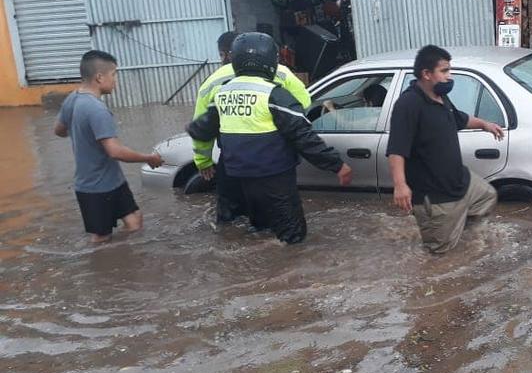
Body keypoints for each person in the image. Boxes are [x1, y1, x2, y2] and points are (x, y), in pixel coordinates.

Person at [187, 32, 353, 244]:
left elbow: (199, 129)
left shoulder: (221, 92)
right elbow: (303, 134)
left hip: (236, 174)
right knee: (293, 237)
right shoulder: (274, 93)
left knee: (247, 231)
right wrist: (336, 165)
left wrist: (205, 158)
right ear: (271, 61)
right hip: (274, 178)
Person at [386, 45, 504, 254]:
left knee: (487, 196)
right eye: (444, 71)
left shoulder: (440, 97)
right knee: (440, 259)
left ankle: (464, 237)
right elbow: (397, 148)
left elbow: (461, 119)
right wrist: (400, 185)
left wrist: (485, 124)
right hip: (436, 196)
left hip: (461, 182)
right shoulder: (408, 104)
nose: (450, 76)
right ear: (426, 74)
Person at [191, 30, 312, 222]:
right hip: (273, 160)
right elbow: (304, 104)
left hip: (233, 161)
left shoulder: (212, 81)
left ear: (226, 54)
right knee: (274, 219)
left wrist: (203, 161)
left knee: (229, 222)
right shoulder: (279, 72)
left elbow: (202, 126)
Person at [53, 50, 164, 243]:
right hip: (94, 188)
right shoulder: (97, 110)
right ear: (99, 77)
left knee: (135, 221)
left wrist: (82, 133)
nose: (116, 81)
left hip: (113, 181)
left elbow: (59, 130)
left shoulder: (73, 98)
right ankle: (103, 268)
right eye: (114, 75)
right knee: (101, 238)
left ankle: (124, 262)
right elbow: (115, 151)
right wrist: (149, 158)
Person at [314, 83, 387, 131]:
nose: (364, 106)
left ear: (370, 103)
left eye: (364, 102)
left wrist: (330, 108)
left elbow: (347, 125)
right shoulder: (383, 115)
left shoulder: (375, 120)